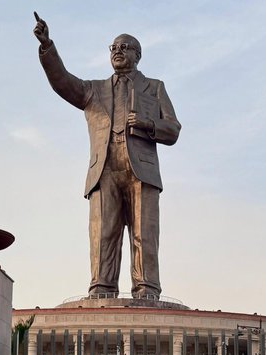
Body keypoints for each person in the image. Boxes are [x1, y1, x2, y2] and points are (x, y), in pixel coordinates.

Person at [33, 13, 181, 300]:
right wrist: (47, 46)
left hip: (141, 168)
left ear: (138, 55)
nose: (117, 51)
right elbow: (62, 81)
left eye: (124, 47)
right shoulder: (93, 90)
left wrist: (148, 124)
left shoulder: (154, 87)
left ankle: (147, 288)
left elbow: (173, 129)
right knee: (103, 233)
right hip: (104, 167)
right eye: (113, 47)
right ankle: (102, 286)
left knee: (144, 233)